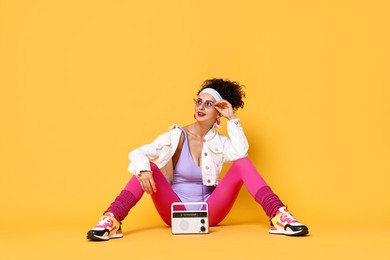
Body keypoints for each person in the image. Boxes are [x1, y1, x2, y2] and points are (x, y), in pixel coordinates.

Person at [86, 78, 309, 241]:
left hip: (210, 210)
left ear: (219, 112)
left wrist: (232, 119)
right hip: (173, 209)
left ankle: (280, 217)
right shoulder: (176, 136)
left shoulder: (219, 141)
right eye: (199, 102)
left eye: (209, 104)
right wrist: (143, 170)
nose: (201, 107)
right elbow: (137, 153)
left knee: (242, 163)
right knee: (146, 166)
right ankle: (111, 220)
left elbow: (240, 154)